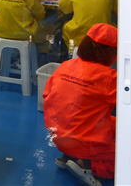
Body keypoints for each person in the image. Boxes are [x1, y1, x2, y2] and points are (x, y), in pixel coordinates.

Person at [43, 23, 118, 184]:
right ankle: (85, 164)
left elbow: (47, 95)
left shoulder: (66, 65)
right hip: (85, 143)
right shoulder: (109, 77)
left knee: (114, 123)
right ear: (112, 53)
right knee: (128, 157)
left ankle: (68, 156)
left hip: (58, 136)